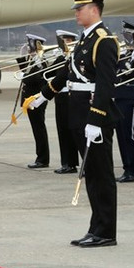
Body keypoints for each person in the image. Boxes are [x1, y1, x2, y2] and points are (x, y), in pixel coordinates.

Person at [24, 0, 119, 247]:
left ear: (94, 10)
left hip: (93, 115)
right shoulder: (85, 39)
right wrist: (44, 95)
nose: (76, 13)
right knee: (91, 174)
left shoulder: (104, 41)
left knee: (101, 175)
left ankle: (106, 232)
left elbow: (106, 85)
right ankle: (96, 227)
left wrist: (96, 119)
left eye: (80, 9)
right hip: (79, 113)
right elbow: (69, 72)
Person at [113, 21, 134, 182]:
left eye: (129, 35)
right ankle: (127, 168)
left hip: (132, 98)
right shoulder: (123, 54)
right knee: (121, 134)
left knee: (129, 134)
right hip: (119, 97)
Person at [19, 34, 51, 169]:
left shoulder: (41, 60)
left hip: (37, 99)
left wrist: (24, 77)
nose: (28, 47)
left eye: (30, 44)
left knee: (39, 129)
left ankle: (42, 159)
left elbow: (38, 78)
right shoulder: (33, 59)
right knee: (37, 129)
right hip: (31, 100)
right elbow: (24, 69)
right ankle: (41, 157)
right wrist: (21, 56)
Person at [52, 30, 80, 174]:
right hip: (60, 98)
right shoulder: (61, 58)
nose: (63, 44)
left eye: (65, 41)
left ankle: (73, 163)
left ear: (70, 41)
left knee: (73, 131)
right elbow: (49, 73)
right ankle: (67, 162)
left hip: (70, 96)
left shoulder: (75, 57)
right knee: (62, 131)